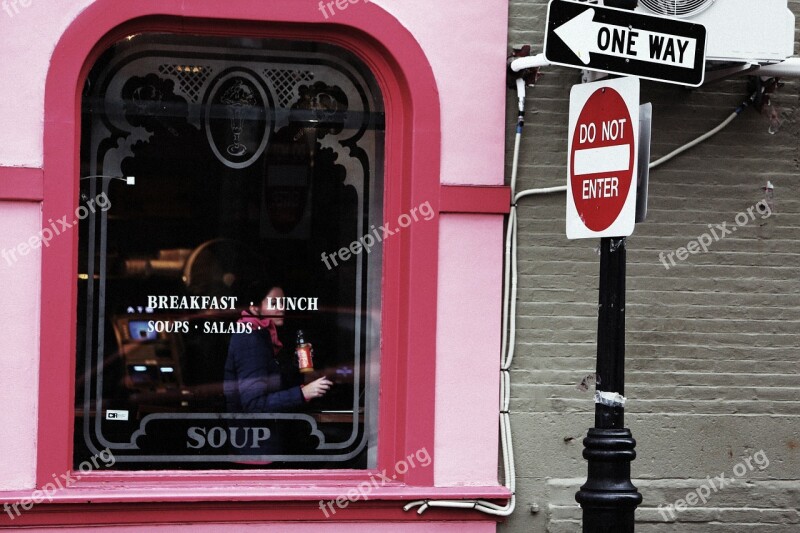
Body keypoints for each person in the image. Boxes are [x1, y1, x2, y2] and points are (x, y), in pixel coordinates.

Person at [224, 281, 332, 456]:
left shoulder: (258, 335)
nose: (281, 308)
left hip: (258, 446)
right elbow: (254, 404)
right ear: (254, 308)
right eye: (274, 303)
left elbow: (270, 385)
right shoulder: (251, 339)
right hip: (255, 449)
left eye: (283, 303)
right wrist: (302, 394)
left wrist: (297, 366)